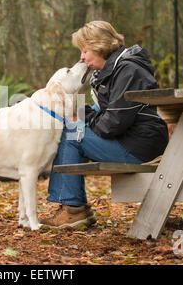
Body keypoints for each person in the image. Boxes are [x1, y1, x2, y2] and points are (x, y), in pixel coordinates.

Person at [40, 21, 169, 229]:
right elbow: (107, 114)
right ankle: (75, 207)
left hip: (140, 146)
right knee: (72, 126)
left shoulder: (128, 71)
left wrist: (82, 115)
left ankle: (73, 209)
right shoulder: (116, 69)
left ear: (99, 47)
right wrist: (82, 113)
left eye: (85, 50)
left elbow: (111, 124)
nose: (82, 57)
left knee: (69, 134)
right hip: (135, 139)